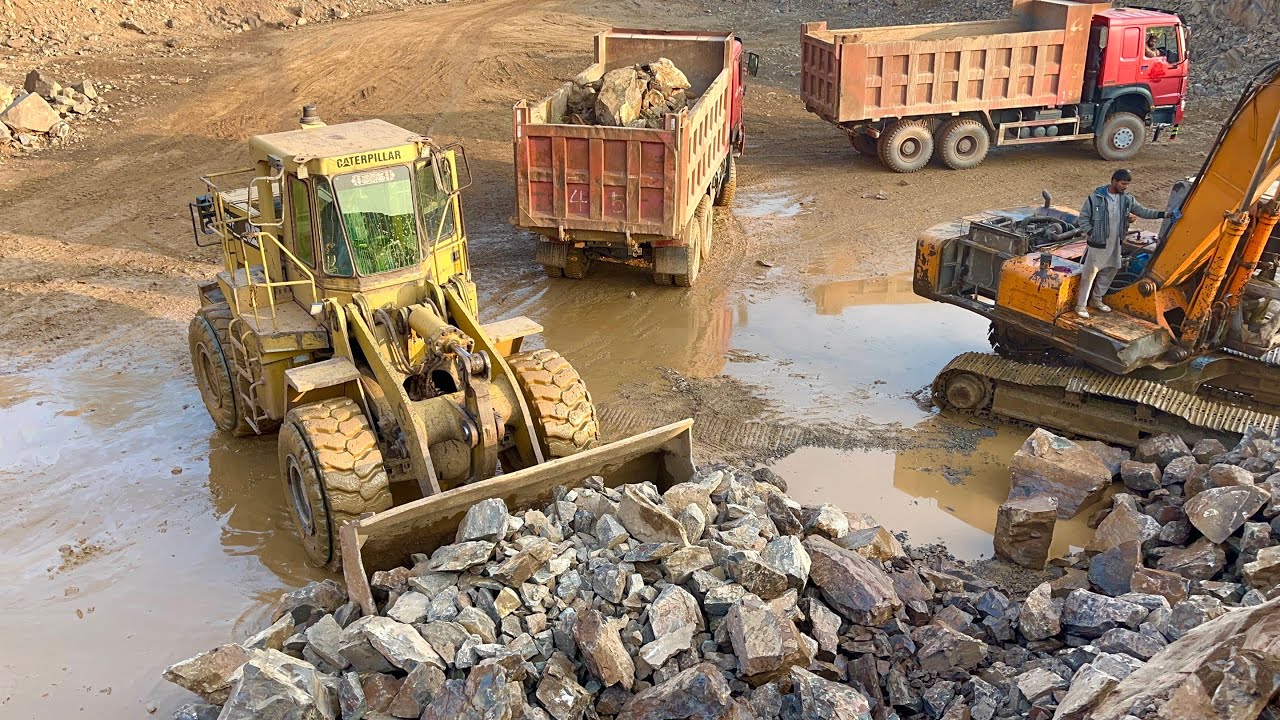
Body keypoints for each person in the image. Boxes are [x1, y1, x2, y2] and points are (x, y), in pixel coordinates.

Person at [1074, 169, 1178, 319]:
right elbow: (1083, 218)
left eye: (1127, 184)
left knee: (1110, 270)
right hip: (1098, 244)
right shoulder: (1095, 198)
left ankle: (1096, 300)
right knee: (1089, 275)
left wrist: (1165, 214)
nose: (1125, 187)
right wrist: (1092, 233)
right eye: (1123, 183)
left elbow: (1143, 211)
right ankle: (1081, 305)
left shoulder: (1126, 199)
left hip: (1115, 242)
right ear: (1114, 181)